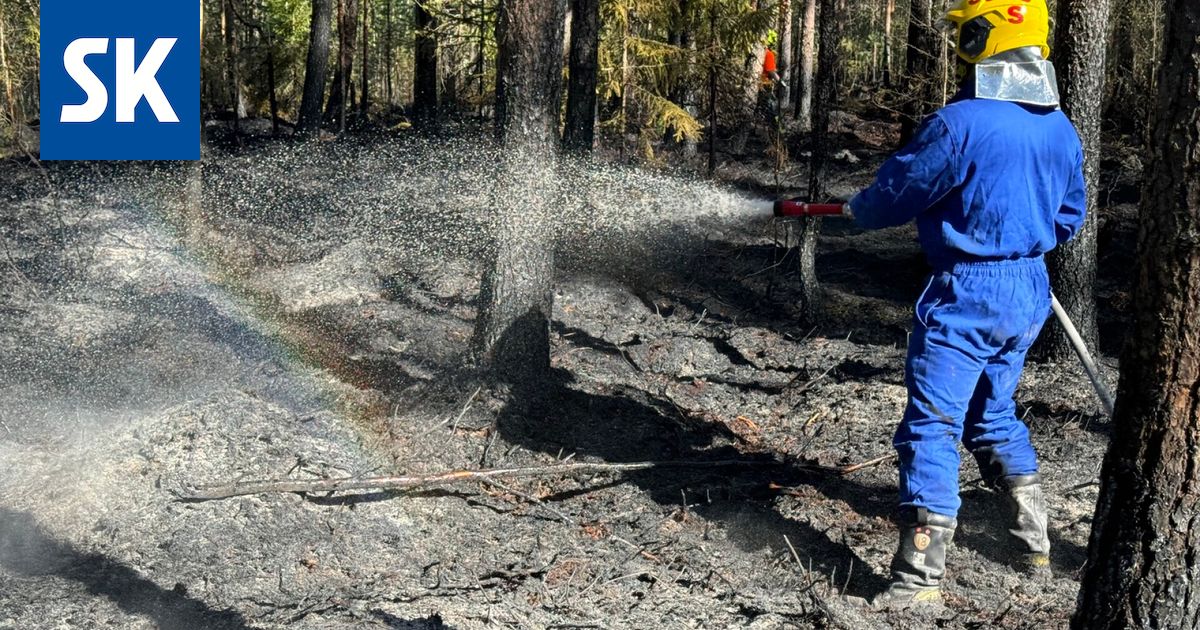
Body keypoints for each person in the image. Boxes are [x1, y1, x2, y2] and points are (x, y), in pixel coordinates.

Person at [844, 0, 1087, 609]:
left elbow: (895, 194)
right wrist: (1020, 244)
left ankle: (917, 578)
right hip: (1028, 289)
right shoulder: (1061, 127)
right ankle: (1032, 546)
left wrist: (858, 211)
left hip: (967, 291)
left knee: (933, 423)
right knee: (991, 411)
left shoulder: (959, 123)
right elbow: (1069, 217)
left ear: (983, 39)